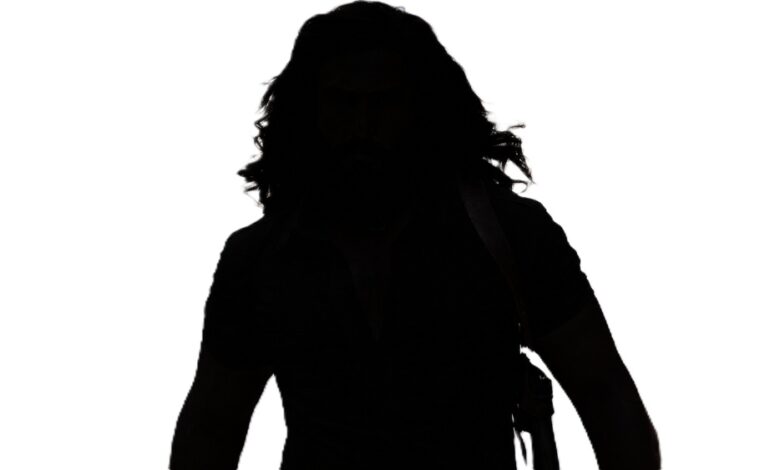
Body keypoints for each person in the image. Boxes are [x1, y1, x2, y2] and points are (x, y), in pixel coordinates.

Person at [169, 2, 661, 469]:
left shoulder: (510, 233)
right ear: (309, 112)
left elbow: (604, 394)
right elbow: (213, 426)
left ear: (423, 109)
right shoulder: (258, 258)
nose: (362, 125)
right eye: (342, 103)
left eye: (384, 103)